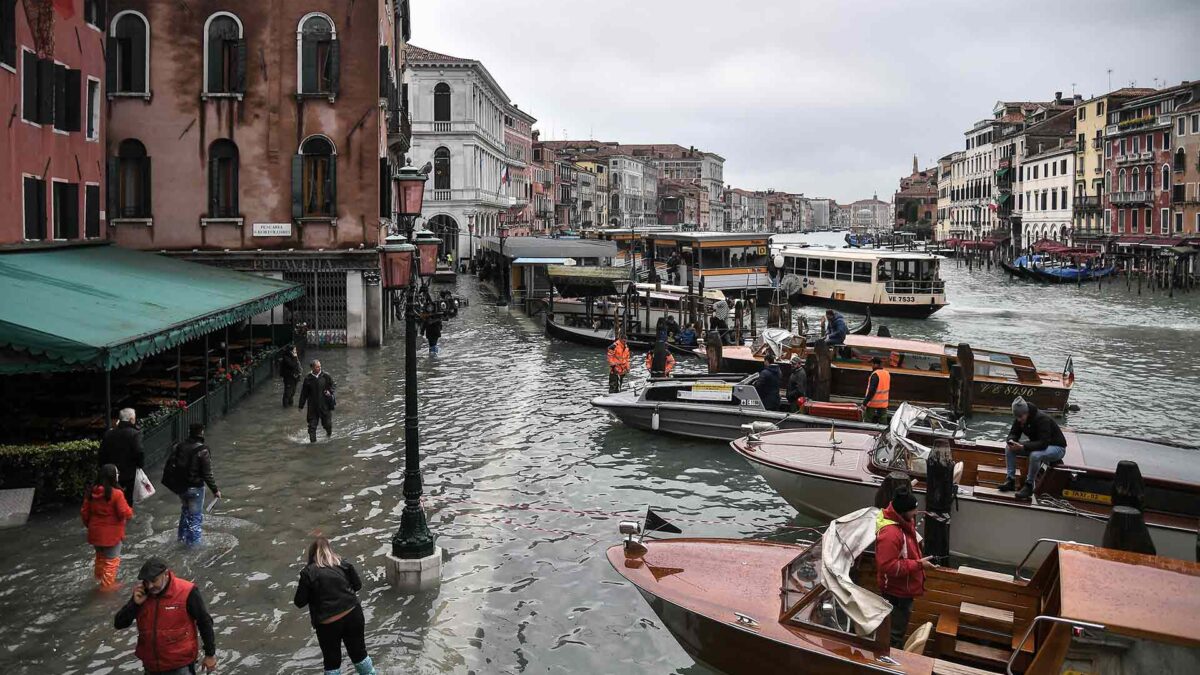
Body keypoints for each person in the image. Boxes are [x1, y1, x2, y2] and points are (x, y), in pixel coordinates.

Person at [115, 557, 217, 674]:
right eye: (146, 581)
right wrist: (134, 604)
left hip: (180, 665)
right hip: (151, 667)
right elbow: (119, 624)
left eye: (154, 580)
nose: (150, 586)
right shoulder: (141, 594)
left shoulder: (187, 591)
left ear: (166, 574)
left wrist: (210, 654)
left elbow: (204, 622)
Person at [294, 538, 377, 675]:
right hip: (352, 614)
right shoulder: (344, 564)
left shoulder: (307, 573)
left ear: (312, 554)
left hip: (328, 623)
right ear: (330, 550)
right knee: (360, 655)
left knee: (332, 662)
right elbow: (358, 586)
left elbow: (299, 602)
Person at [875, 492, 934, 648]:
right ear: (902, 512)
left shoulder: (905, 522)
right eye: (913, 510)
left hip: (905, 590)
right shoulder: (891, 534)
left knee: (897, 631)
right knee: (893, 635)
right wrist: (918, 564)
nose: (916, 513)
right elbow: (887, 566)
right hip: (896, 594)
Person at [1002, 396, 1067, 500]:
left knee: (1035, 455)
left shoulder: (1042, 419)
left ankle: (1029, 485)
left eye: (1021, 417)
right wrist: (1011, 442)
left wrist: (1023, 446)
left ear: (1027, 413)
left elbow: (1043, 443)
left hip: (1057, 448)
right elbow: (1013, 433)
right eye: (1017, 417)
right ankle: (1010, 480)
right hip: (1037, 444)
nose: (1019, 420)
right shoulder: (1019, 418)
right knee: (1009, 449)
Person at [81, 464, 134, 589]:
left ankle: (98, 579)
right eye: (117, 474)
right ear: (112, 477)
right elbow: (124, 512)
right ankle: (106, 589)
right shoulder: (117, 494)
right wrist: (130, 512)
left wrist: (91, 526)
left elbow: (84, 512)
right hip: (112, 536)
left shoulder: (92, 492)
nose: (118, 476)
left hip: (95, 534)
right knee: (111, 562)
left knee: (100, 558)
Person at [168, 423, 221, 546]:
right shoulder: (203, 450)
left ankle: (180, 538)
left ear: (189, 431)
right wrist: (215, 490)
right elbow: (207, 474)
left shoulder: (179, 446)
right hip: (195, 488)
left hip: (181, 487)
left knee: (185, 512)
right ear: (201, 432)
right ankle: (194, 549)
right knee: (195, 519)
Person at [98, 408, 144, 501]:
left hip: (111, 473)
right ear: (131, 419)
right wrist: (140, 465)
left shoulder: (109, 433)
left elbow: (101, 453)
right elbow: (139, 452)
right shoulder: (134, 434)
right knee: (127, 499)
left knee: (110, 498)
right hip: (128, 474)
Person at [299, 359, 337, 442]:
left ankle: (328, 436)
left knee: (328, 425)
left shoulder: (326, 376)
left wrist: (329, 391)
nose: (319, 368)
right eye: (317, 367)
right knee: (312, 428)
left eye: (320, 366)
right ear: (312, 368)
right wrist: (301, 406)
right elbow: (304, 393)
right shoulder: (308, 378)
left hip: (325, 406)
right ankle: (312, 446)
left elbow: (333, 385)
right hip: (313, 407)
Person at [860, 357, 891, 424]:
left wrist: (864, 403)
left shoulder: (875, 374)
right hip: (883, 404)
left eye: (872, 364)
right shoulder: (887, 373)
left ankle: (866, 434)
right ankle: (883, 434)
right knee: (883, 423)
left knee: (867, 422)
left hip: (873, 403)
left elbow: (871, 390)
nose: (871, 366)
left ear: (876, 364)